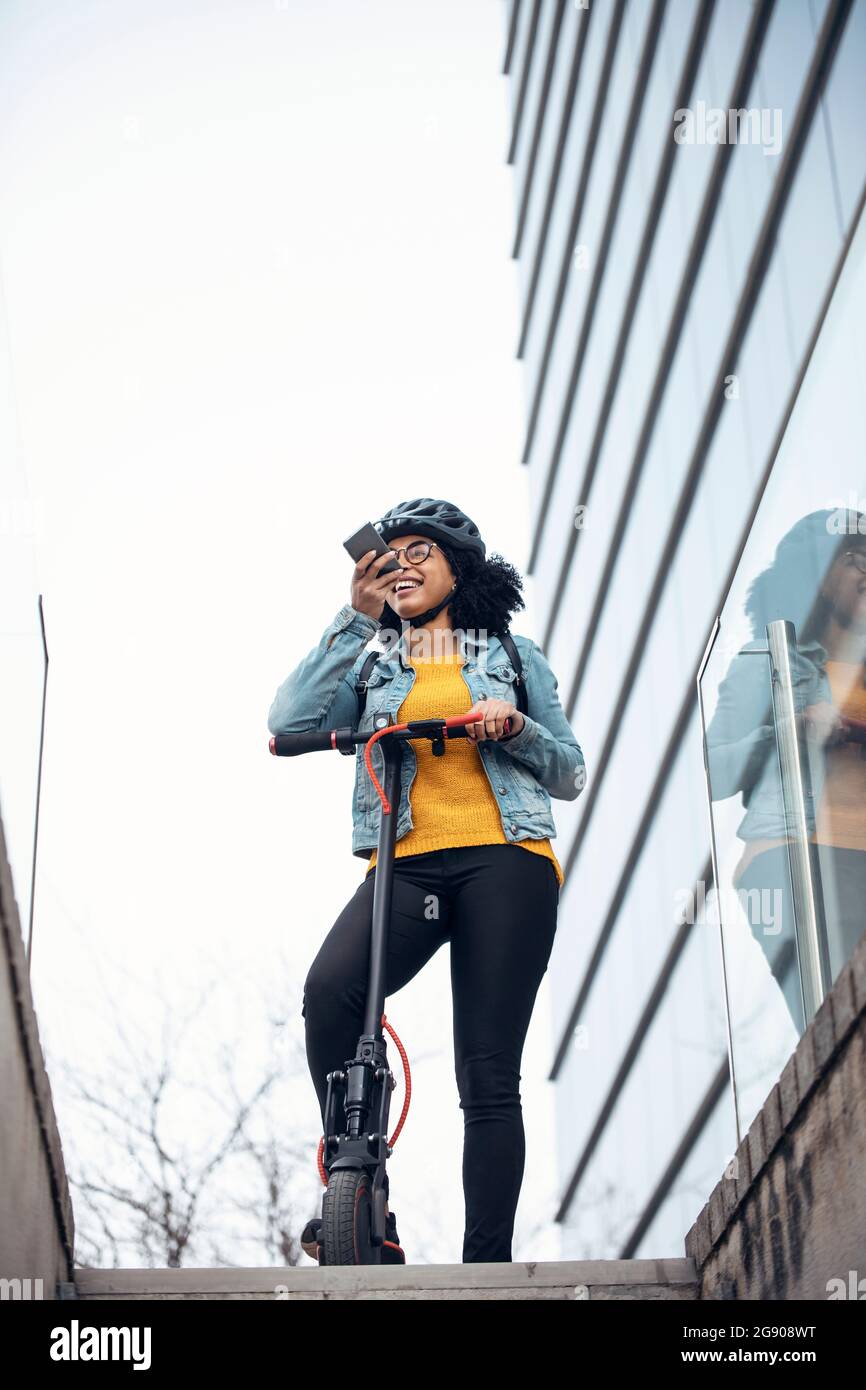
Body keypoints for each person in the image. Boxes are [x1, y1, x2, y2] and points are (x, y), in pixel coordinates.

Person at [267, 499, 586, 1263]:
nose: (401, 565)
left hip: (505, 859)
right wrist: (354, 619)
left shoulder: (511, 653)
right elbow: (288, 719)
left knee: (487, 1071)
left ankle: (488, 1265)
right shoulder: (373, 659)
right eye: (389, 555)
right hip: (404, 860)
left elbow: (569, 770)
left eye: (419, 552)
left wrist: (515, 726)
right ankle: (358, 1176)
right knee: (331, 991)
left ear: (457, 569)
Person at [705, 509, 866, 1034]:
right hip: (800, 851)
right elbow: (715, 768)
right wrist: (790, 728)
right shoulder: (769, 662)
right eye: (851, 556)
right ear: (814, 575)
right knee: (841, 1025)